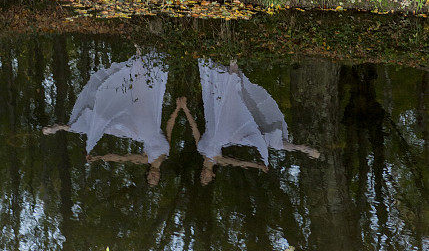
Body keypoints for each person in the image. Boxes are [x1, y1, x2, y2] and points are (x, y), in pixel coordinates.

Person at [42, 53, 179, 187]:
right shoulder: (166, 154)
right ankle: (142, 56)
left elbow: (121, 158)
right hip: (152, 120)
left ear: (147, 173)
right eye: (155, 179)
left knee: (111, 118)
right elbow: (170, 127)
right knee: (145, 91)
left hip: (140, 127)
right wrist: (179, 108)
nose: (153, 177)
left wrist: (99, 158)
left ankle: (63, 127)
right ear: (159, 176)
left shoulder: (146, 159)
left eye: (150, 178)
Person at [179, 59, 320, 185]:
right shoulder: (218, 160)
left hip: (214, 120)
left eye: (201, 177)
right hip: (228, 131)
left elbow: (194, 127)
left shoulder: (200, 149)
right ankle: (301, 148)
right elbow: (239, 163)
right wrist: (258, 166)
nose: (204, 175)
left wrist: (184, 108)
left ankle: (230, 67)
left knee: (224, 99)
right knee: (263, 137)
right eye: (207, 178)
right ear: (213, 174)